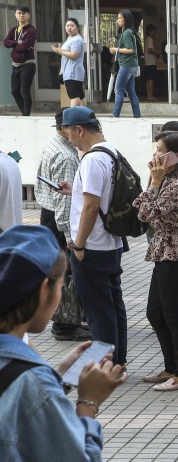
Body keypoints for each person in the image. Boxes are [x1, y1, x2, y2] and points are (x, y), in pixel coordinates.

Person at [0, 225, 125, 462]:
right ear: (43, 291)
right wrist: (88, 401)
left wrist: (56, 376)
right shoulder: (30, 382)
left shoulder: (27, 374)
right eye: (60, 285)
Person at [134, 130, 178, 391]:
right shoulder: (169, 179)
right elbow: (142, 209)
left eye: (160, 150)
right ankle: (171, 367)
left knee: (174, 315)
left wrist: (153, 181)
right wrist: (156, 180)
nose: (155, 155)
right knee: (156, 312)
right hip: (165, 250)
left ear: (176, 155)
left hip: (177, 253)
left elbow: (145, 213)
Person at [62, 107, 128, 366]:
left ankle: (105, 365)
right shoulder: (112, 151)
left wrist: (78, 244)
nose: (68, 138)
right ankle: (118, 360)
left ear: (79, 130)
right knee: (113, 305)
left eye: (68, 133)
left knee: (98, 311)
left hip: (92, 246)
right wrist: (74, 192)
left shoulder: (91, 160)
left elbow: (90, 207)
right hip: (111, 242)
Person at [38, 109, 89, 340]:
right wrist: (69, 234)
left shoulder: (53, 145)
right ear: (64, 128)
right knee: (66, 274)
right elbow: (63, 200)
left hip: (48, 215)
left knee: (60, 272)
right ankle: (65, 326)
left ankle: (66, 322)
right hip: (58, 219)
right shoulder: (66, 156)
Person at [4, 4, 35, 116]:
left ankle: (26, 115)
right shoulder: (14, 30)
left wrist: (15, 44)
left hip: (28, 64)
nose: (21, 15)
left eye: (24, 13)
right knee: (14, 91)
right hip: (15, 65)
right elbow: (6, 43)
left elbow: (25, 46)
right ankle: (24, 114)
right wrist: (17, 42)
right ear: (16, 15)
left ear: (28, 15)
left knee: (24, 91)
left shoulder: (31, 30)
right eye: (19, 13)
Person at [109, 10, 140, 119]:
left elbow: (130, 50)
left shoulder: (126, 33)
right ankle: (137, 116)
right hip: (132, 65)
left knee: (119, 89)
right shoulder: (130, 32)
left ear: (126, 19)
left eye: (120, 18)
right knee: (131, 92)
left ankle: (115, 115)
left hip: (126, 64)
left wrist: (115, 49)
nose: (118, 20)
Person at [52, 18, 85, 106]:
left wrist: (60, 52)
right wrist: (59, 50)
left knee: (74, 96)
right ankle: (86, 115)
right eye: (67, 26)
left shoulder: (76, 40)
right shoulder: (70, 38)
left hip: (72, 72)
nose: (69, 28)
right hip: (71, 72)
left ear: (77, 27)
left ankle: (73, 116)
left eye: (72, 26)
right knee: (80, 96)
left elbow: (75, 55)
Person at [142, 24, 159, 101]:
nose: (154, 32)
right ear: (150, 31)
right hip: (151, 62)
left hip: (148, 62)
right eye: (153, 30)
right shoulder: (150, 40)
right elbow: (150, 51)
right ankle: (150, 95)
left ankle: (148, 95)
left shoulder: (148, 39)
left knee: (148, 79)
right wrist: (157, 53)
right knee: (151, 79)